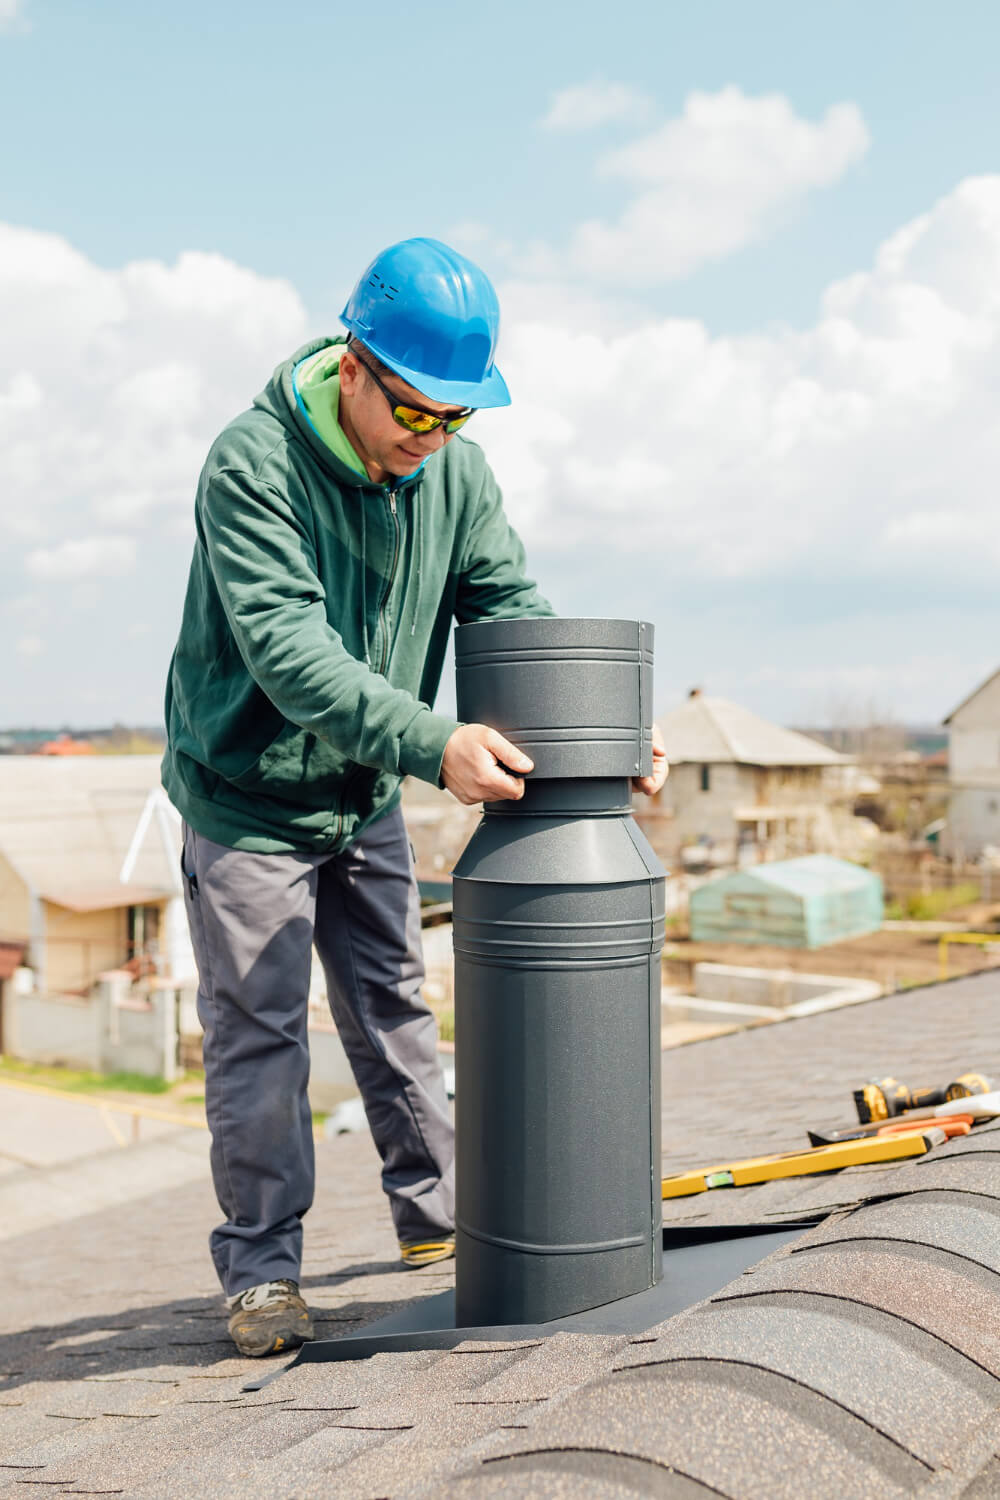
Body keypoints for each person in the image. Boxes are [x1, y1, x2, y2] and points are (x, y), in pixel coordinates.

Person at [162, 236, 668, 1358]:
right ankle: (260, 1274)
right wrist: (434, 742)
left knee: (392, 1001)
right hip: (245, 795)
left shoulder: (453, 473)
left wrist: (603, 736)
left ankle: (435, 1219)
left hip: (361, 788)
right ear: (353, 365)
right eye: (413, 412)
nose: (429, 439)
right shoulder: (253, 465)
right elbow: (290, 655)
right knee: (259, 1034)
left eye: (455, 419)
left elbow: (509, 608)